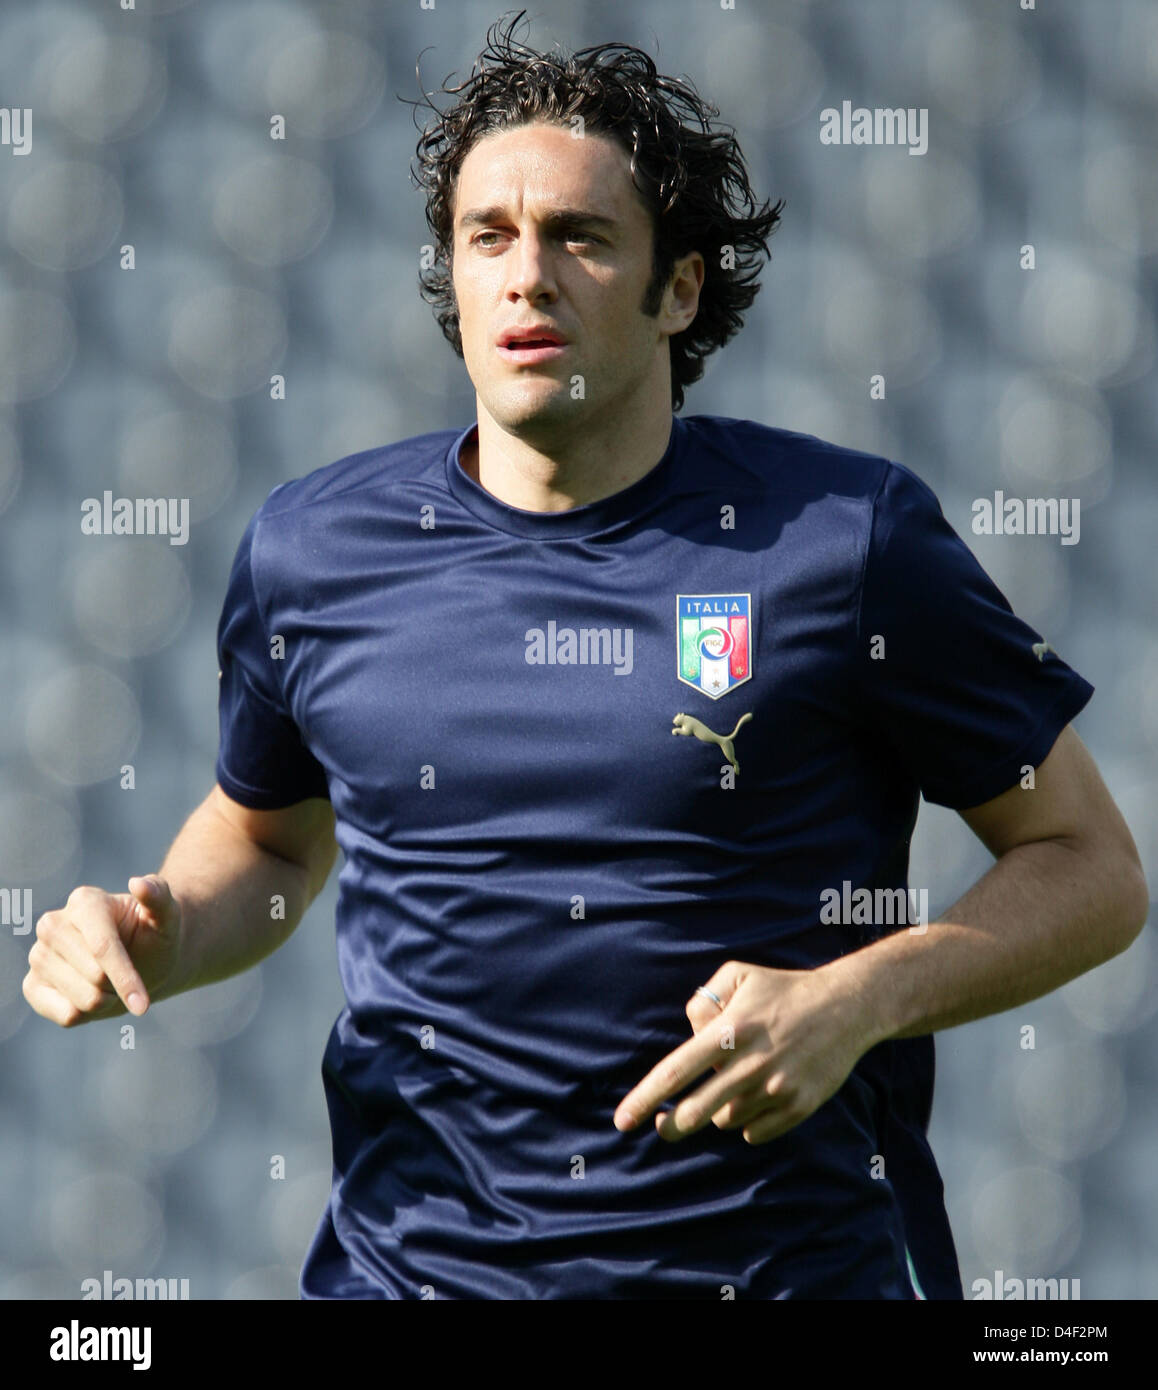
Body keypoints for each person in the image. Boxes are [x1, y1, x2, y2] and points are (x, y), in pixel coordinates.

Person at [23, 15, 1148, 1300]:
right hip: (414, 1274)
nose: (527, 276)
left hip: (782, 1272)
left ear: (679, 288)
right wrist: (156, 934)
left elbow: (1091, 866)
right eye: (488, 237)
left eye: (581, 237)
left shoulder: (846, 541)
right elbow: (272, 847)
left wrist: (858, 999)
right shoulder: (314, 549)